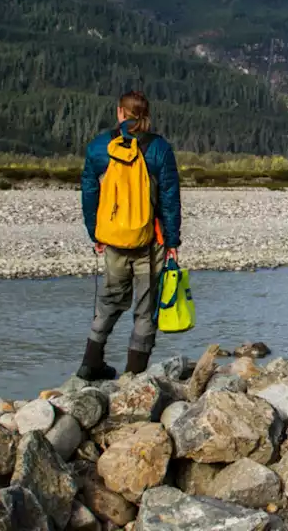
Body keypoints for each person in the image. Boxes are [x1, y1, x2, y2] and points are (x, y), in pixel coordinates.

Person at [77, 91, 182, 380]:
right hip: (151, 241)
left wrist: (94, 233)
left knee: (110, 300)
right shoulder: (159, 148)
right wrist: (172, 241)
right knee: (146, 309)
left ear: (120, 113)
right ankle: (133, 376)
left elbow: (89, 192)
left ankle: (90, 363)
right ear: (146, 115)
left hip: (112, 238)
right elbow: (170, 198)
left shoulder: (100, 147)